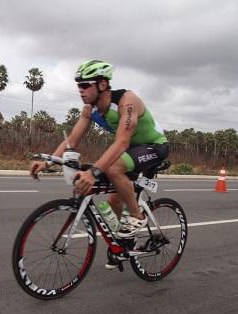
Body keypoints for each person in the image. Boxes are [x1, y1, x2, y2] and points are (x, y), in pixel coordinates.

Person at [30, 60, 169, 267]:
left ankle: (138, 217)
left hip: (154, 146)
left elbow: (122, 142)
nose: (80, 90)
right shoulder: (90, 110)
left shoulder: (126, 101)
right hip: (131, 150)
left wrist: (94, 172)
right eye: (78, 85)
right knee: (112, 200)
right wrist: (49, 161)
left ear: (102, 84)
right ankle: (123, 245)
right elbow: (72, 141)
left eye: (85, 85)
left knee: (110, 168)